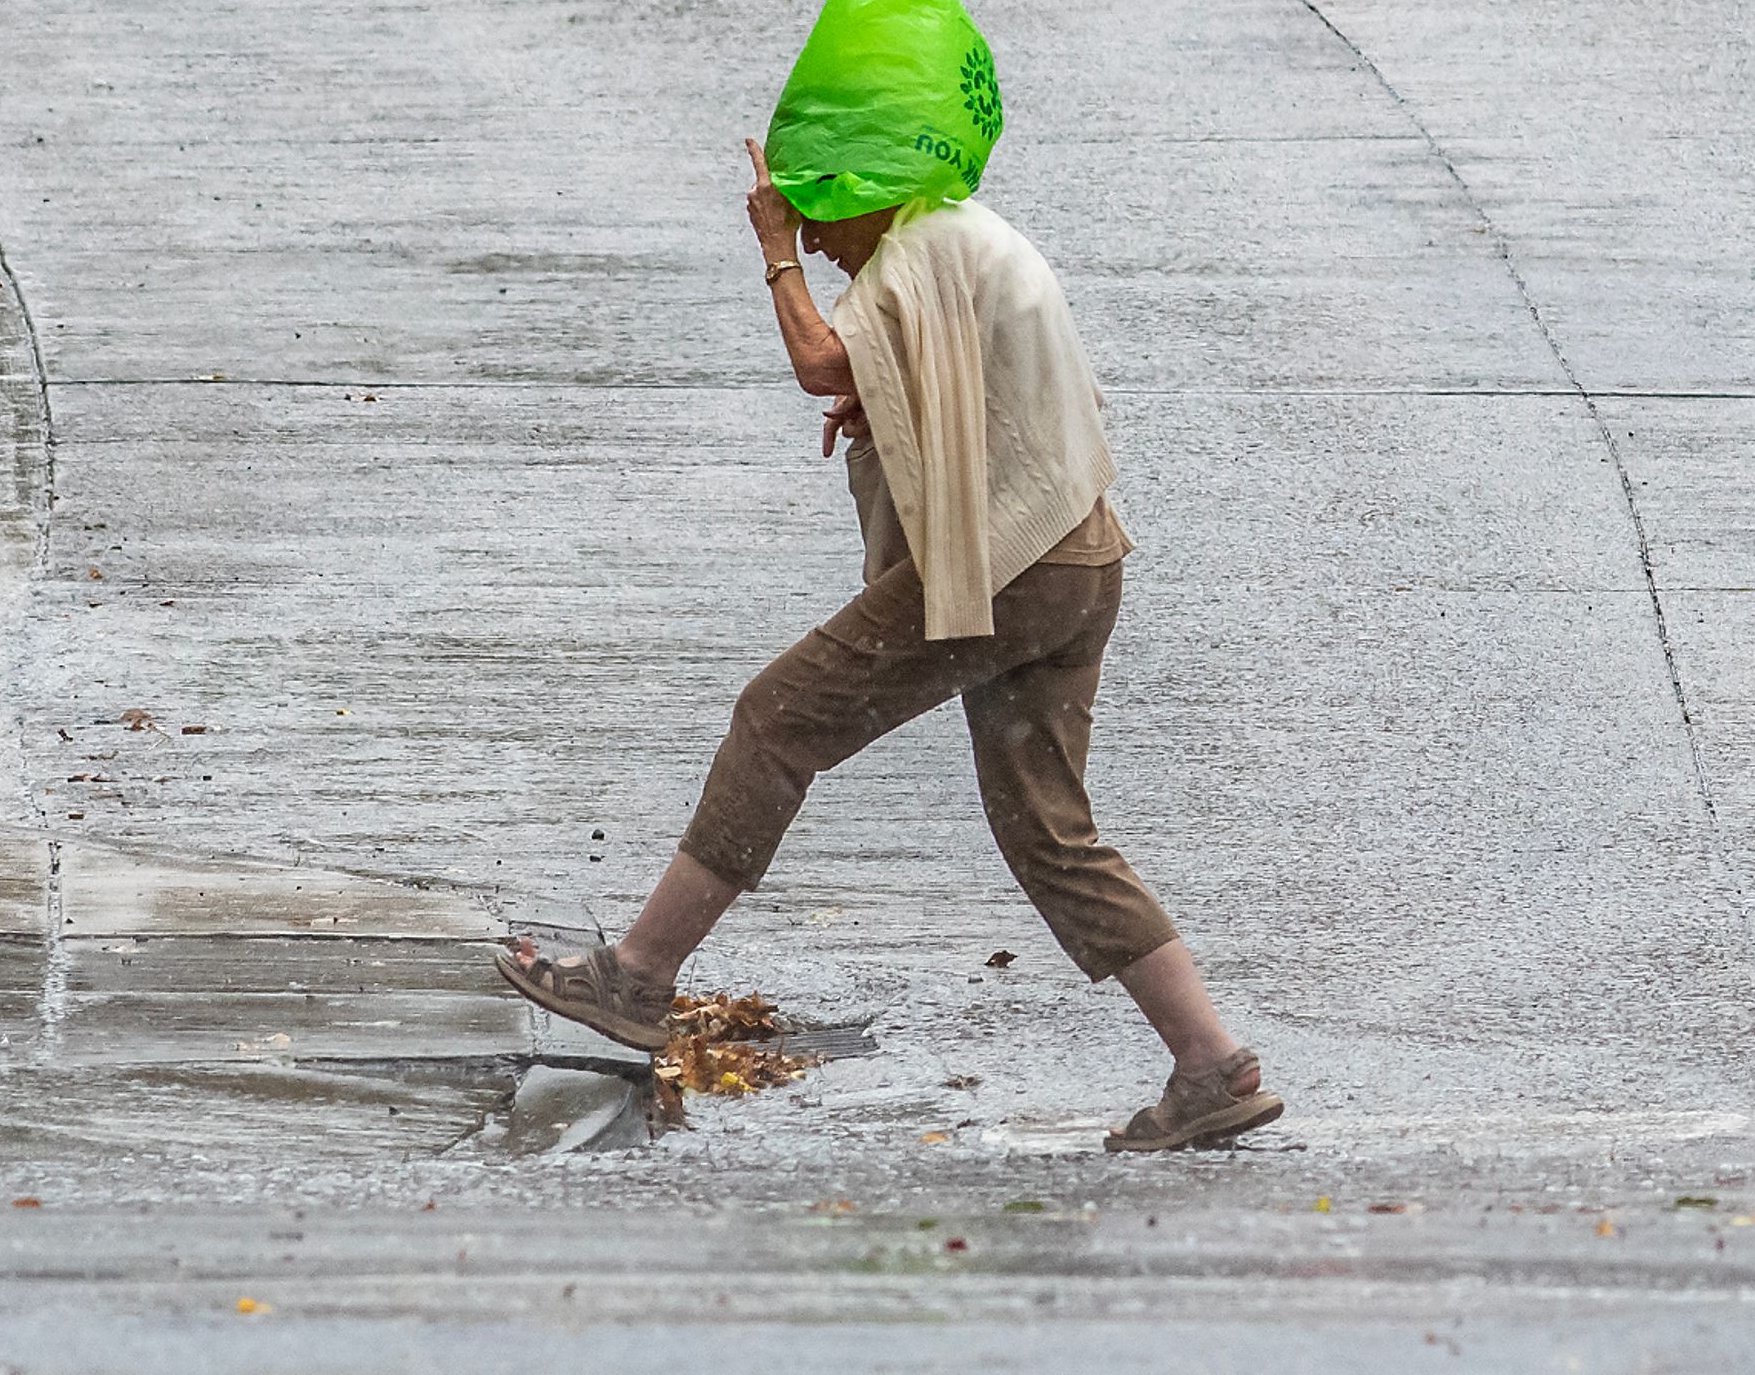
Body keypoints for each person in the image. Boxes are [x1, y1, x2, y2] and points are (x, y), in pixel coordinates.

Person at [497, 139, 1282, 1153]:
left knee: (777, 720)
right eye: (804, 226)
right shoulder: (963, 234)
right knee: (1049, 828)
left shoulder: (914, 247)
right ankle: (1211, 1063)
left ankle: (638, 977)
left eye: (821, 217)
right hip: (1079, 555)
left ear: (861, 193)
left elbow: (818, 356)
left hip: (1010, 569)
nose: (820, 243)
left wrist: (772, 246)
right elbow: (974, 374)